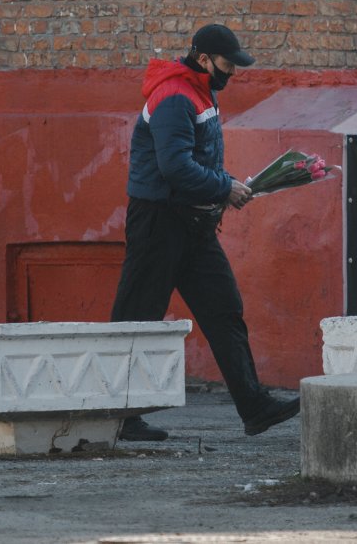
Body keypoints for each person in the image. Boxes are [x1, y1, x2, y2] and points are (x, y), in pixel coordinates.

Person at [111, 23, 300, 441]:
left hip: (193, 223)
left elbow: (199, 157)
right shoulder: (175, 96)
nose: (232, 72)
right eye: (227, 64)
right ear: (203, 59)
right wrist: (223, 188)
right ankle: (118, 418)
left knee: (224, 309)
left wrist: (225, 183)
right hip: (159, 222)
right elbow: (175, 167)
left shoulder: (200, 91)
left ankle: (254, 407)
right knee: (136, 318)